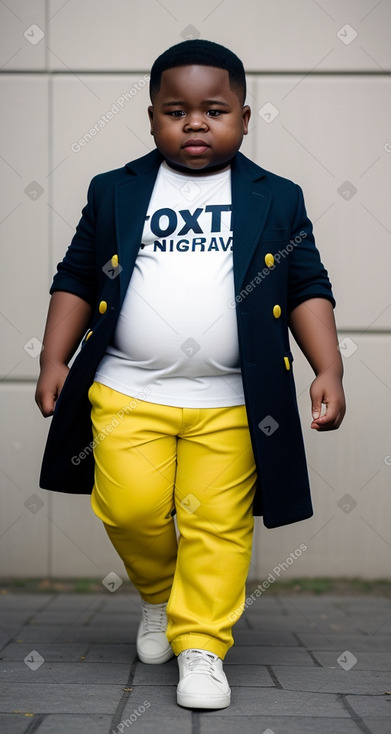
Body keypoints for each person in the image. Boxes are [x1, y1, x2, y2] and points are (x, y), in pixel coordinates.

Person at [35, 39, 346, 710]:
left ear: (243, 116)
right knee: (130, 508)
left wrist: (329, 367)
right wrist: (53, 358)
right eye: (176, 111)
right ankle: (159, 596)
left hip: (234, 402)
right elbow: (77, 278)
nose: (195, 123)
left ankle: (201, 644)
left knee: (217, 525)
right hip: (126, 392)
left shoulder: (276, 197)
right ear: (151, 118)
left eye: (214, 110)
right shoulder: (115, 190)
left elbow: (305, 285)